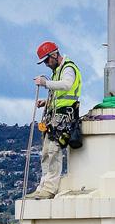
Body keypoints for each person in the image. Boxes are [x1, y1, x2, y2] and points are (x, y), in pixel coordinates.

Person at [26, 41, 82, 200]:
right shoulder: (57, 72)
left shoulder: (68, 68)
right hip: (54, 116)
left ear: (54, 55)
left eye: (46, 60)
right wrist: (46, 101)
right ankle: (43, 186)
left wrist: (45, 83)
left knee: (54, 151)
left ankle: (50, 188)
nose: (46, 64)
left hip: (64, 117)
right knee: (45, 152)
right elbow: (59, 93)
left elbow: (66, 85)